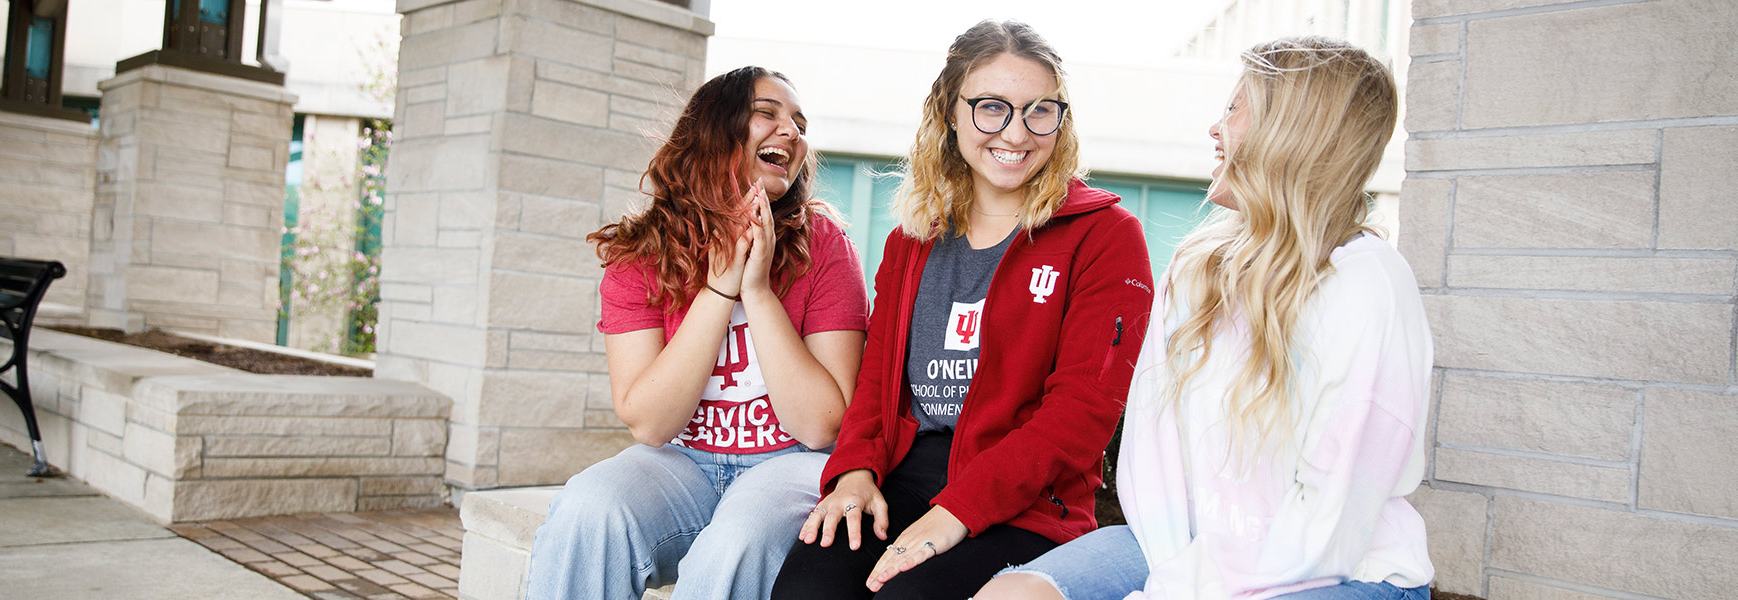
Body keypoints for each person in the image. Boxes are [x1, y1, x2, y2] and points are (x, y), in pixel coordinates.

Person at [976, 36, 1434, 600]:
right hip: (1184, 550)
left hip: (1338, 570)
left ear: (1290, 131)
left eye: (1234, 109)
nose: (1214, 130)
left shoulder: (1368, 286)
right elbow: (1154, 462)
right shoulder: (1198, 268)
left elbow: (1331, 523)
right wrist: (1176, 576)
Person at [771, 20, 1154, 600]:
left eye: (1039, 111)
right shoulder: (915, 237)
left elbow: (1082, 413)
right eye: (992, 108)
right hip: (901, 478)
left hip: (1025, 504)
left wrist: (956, 512)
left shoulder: (1105, 235)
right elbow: (877, 383)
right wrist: (853, 473)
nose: (1017, 132)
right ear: (951, 114)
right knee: (807, 591)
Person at [523, 66, 868, 600]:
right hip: (682, 460)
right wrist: (719, 289)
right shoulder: (641, 251)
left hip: (792, 461)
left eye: (799, 122)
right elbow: (651, 423)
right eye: (767, 114)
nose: (792, 131)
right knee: (587, 511)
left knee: (735, 545)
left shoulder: (824, 244)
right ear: (715, 131)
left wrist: (757, 292)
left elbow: (823, 425)